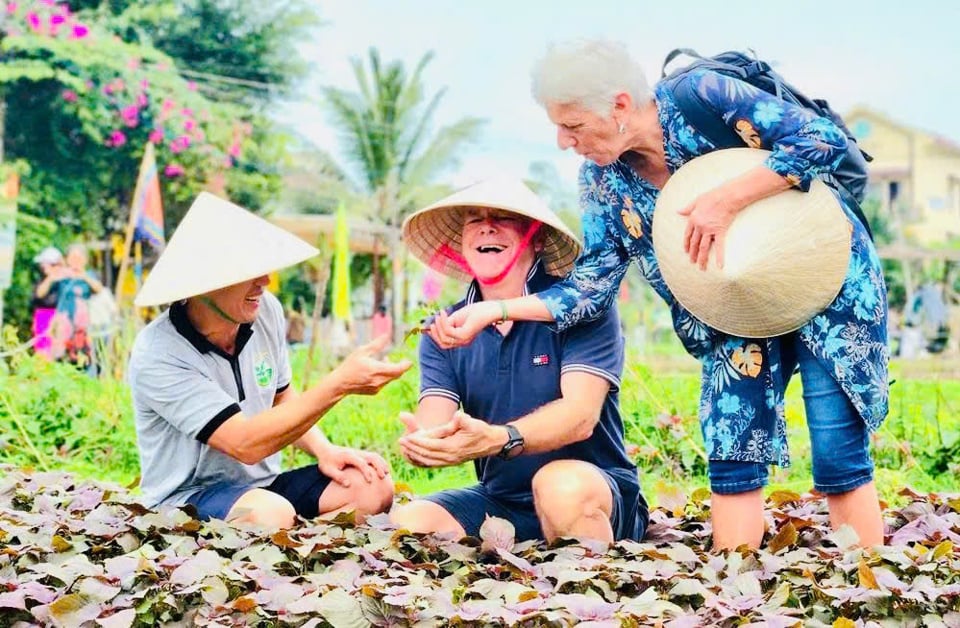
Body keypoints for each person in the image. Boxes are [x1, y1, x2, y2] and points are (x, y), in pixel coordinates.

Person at [429, 41, 888, 550]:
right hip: (730, 304)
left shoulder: (702, 95)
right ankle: (734, 583)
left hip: (821, 274)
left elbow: (819, 139)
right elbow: (590, 285)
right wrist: (493, 309)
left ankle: (864, 583)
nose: (563, 141)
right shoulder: (603, 180)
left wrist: (725, 199)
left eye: (574, 126)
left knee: (835, 440)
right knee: (731, 437)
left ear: (621, 105)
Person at [129, 192, 411, 527]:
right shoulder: (159, 352)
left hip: (264, 485)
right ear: (205, 283)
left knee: (372, 486)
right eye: (249, 272)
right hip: (187, 497)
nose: (264, 281)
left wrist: (326, 451)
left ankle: (293, 535)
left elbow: (281, 397)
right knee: (268, 514)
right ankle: (288, 529)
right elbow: (244, 443)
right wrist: (339, 384)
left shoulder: (265, 312)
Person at [391, 178, 648, 544]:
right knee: (410, 522)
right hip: (502, 499)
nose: (487, 226)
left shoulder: (583, 310)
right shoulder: (445, 330)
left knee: (558, 485)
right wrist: (426, 443)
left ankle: (590, 583)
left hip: (592, 489)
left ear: (537, 238)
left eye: (502, 217)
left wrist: (500, 438)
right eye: (474, 219)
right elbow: (435, 421)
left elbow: (581, 418)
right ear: (463, 244)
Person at [44, 243, 103, 368]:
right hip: (63, 323)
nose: (76, 262)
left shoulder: (88, 276)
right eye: (73, 258)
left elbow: (99, 289)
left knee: (82, 357)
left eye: (79, 258)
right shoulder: (62, 276)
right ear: (67, 260)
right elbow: (41, 293)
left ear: (85, 260)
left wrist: (84, 276)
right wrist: (52, 277)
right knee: (59, 356)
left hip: (81, 325)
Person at [31, 246, 64, 360]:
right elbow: (39, 294)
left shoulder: (64, 279)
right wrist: (51, 277)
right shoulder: (43, 279)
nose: (42, 266)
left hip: (60, 318)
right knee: (42, 353)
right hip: (43, 317)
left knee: (58, 353)